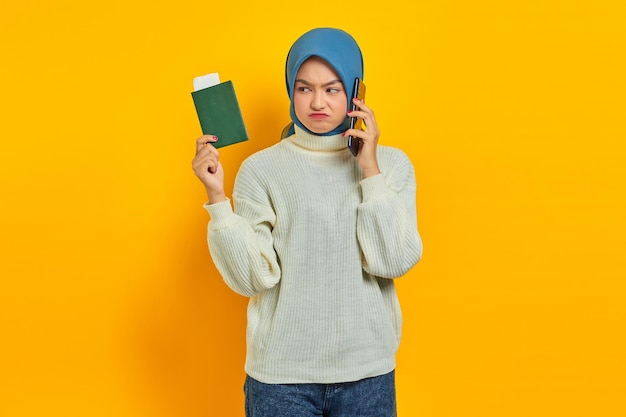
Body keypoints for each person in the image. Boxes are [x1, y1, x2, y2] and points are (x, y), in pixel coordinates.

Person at [192, 27, 422, 417]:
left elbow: (394, 260)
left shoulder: (391, 166)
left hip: (367, 375)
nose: (317, 102)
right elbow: (252, 279)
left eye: (332, 89)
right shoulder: (261, 170)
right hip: (282, 380)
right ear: (290, 90)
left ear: (355, 92)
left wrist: (370, 172)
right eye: (304, 88)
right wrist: (218, 198)